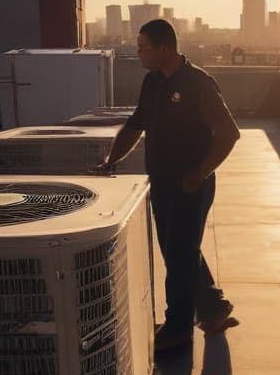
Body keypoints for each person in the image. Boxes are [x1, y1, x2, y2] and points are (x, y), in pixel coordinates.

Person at [97, 19, 240, 351]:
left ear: (165, 48)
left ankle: (177, 331)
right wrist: (112, 160)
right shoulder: (151, 82)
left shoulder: (198, 83)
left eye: (143, 47)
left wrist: (199, 173)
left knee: (178, 255)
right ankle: (214, 307)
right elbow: (135, 126)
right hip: (161, 185)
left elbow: (229, 134)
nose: (138, 53)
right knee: (180, 251)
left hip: (192, 186)